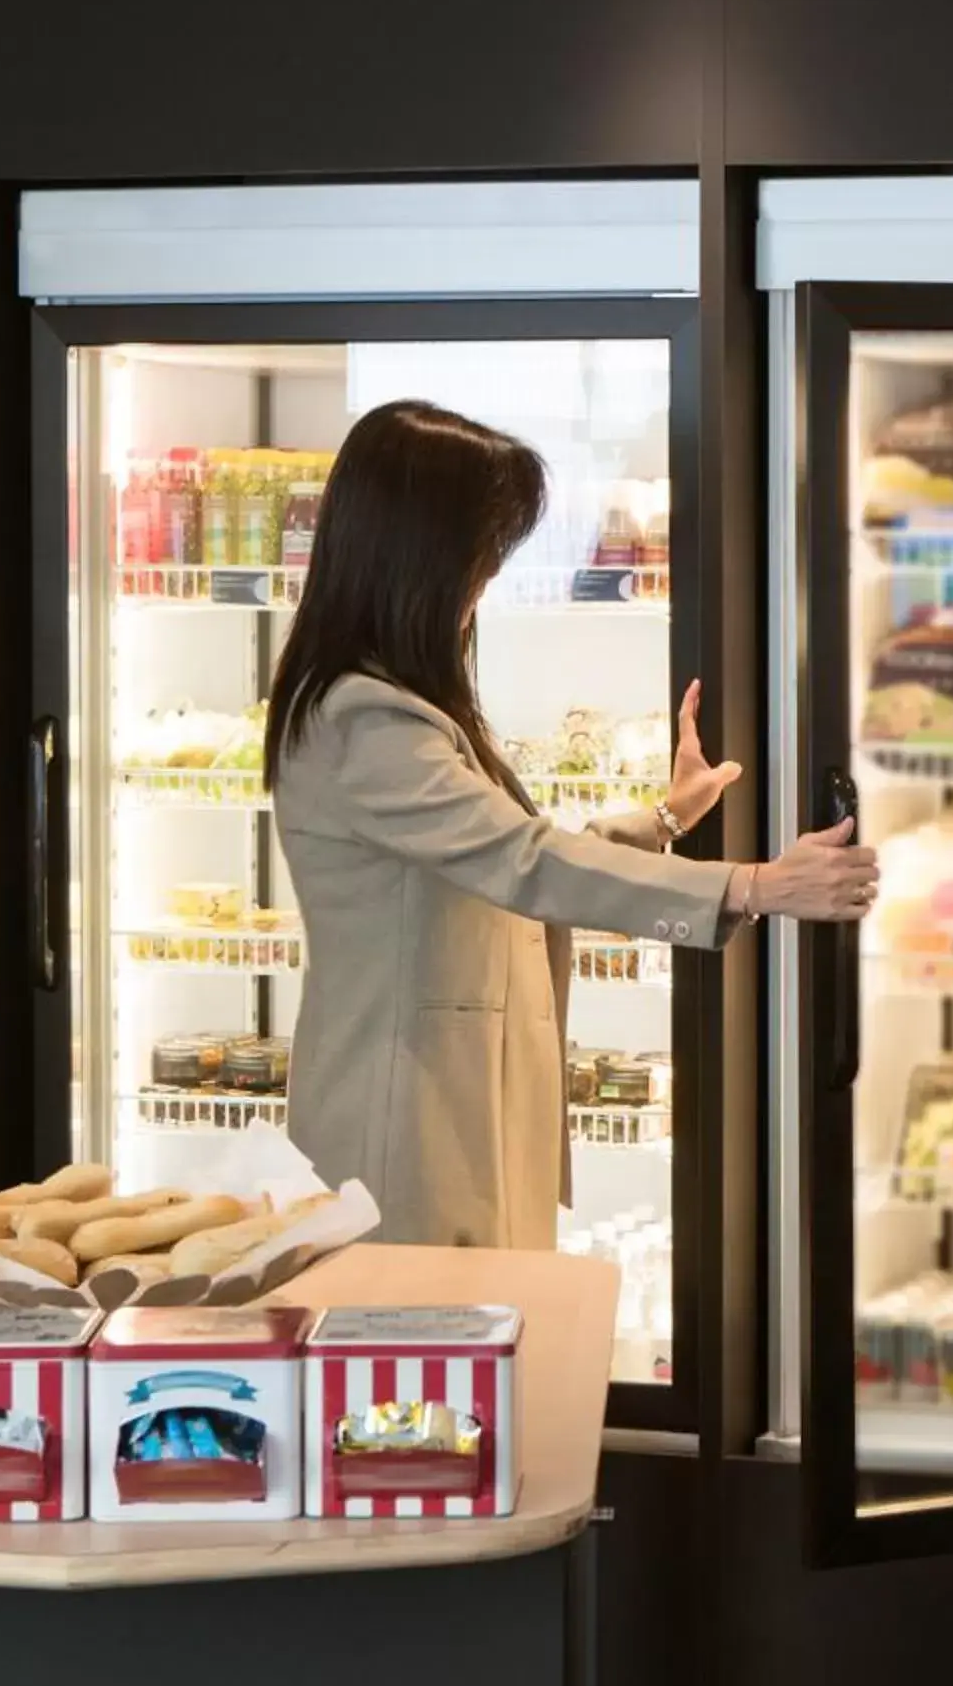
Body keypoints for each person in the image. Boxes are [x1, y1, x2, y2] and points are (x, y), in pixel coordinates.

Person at [265, 399, 874, 1248]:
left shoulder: (401, 703)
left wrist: (665, 816)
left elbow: (490, 863)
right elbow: (520, 860)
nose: (483, 586)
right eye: (478, 560)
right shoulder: (360, 717)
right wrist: (756, 886)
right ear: (418, 562)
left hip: (461, 1107)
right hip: (403, 1129)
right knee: (432, 1374)